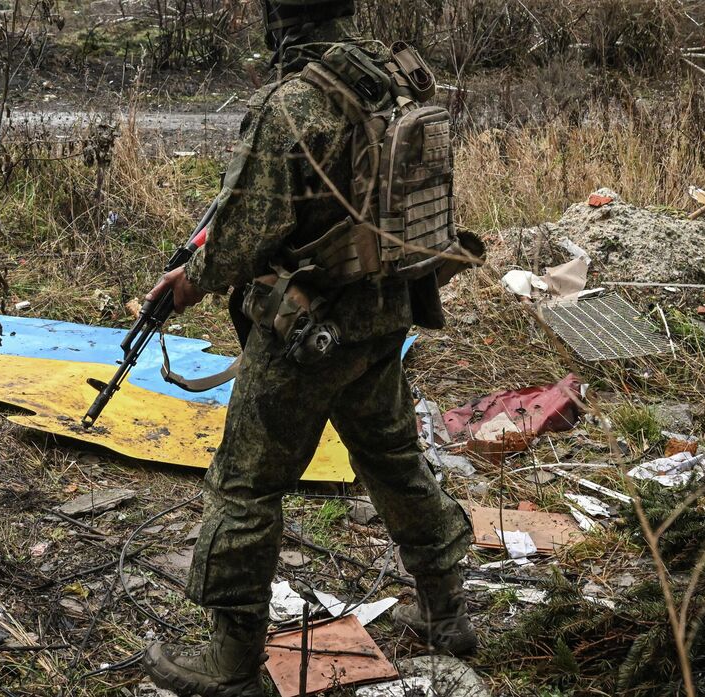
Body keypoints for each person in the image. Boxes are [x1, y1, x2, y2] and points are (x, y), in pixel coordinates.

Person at [140, 1, 479, 695]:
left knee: (245, 485)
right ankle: (446, 613)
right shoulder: (395, 75)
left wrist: (189, 282)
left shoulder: (292, 105)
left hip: (308, 332)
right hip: (386, 314)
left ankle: (231, 664)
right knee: (393, 460)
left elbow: (241, 235)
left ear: (281, 20)